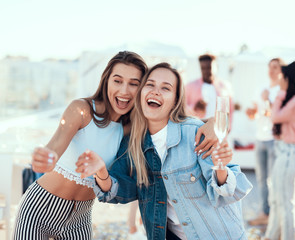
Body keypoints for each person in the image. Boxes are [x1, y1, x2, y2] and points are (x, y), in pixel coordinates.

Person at [76, 62, 253, 240]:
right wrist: (101, 172)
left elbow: (226, 194)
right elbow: (121, 191)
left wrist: (221, 168)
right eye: (150, 85)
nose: (156, 91)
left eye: (165, 88)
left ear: (175, 101)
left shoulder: (194, 133)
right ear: (141, 94)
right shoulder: (133, 144)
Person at [12, 51, 148, 239]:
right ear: (106, 80)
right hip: (38, 210)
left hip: (80, 219)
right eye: (117, 80)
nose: (124, 91)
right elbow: (55, 147)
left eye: (134, 84)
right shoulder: (82, 110)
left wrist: (205, 124)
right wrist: (46, 159)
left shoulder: (129, 129)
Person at [264, 61, 295, 240]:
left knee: (286, 204)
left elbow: (276, 117)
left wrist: (280, 93)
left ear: (287, 79)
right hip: (285, 153)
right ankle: (270, 236)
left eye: (282, 76)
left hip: (290, 154)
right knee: (276, 201)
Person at [246, 58, 284, 226]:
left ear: (281, 70)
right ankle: (264, 212)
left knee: (273, 179)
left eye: (275, 67)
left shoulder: (282, 91)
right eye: (270, 67)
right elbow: (254, 113)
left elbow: (276, 116)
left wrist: (268, 101)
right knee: (261, 179)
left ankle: (275, 215)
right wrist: (251, 111)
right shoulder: (260, 88)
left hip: (274, 140)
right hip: (259, 138)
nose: (271, 70)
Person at [185, 54, 233, 123]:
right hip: (197, 128)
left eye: (209, 68)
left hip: (218, 128)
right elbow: (182, 108)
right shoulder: (190, 86)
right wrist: (194, 107)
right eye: (203, 68)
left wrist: (227, 129)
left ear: (216, 67)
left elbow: (230, 110)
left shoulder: (225, 86)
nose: (206, 71)